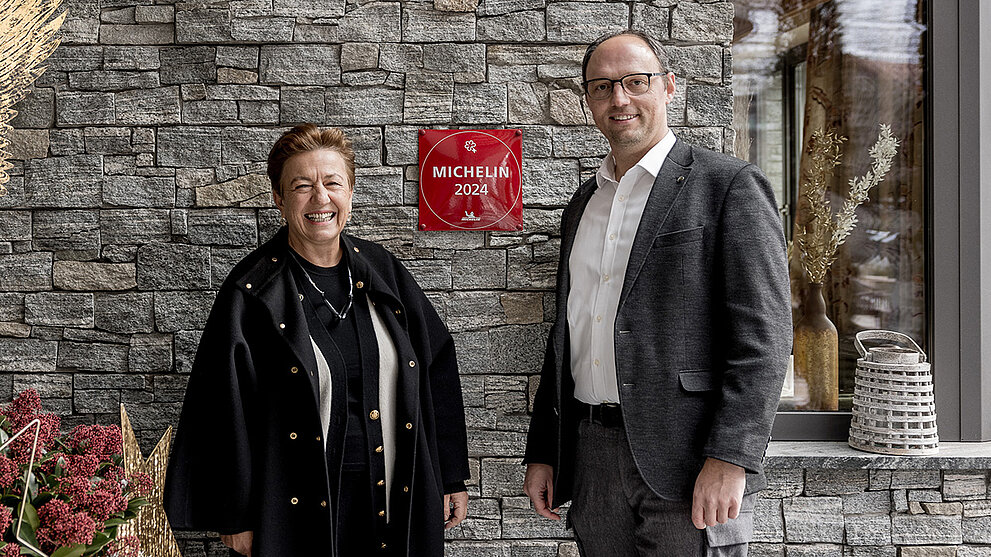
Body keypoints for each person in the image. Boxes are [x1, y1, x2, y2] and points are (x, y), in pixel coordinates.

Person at [522, 30, 792, 556]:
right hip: (592, 454)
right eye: (602, 87)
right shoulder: (583, 204)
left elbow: (765, 337)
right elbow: (569, 334)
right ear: (588, 101)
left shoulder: (728, 186)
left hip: (689, 462)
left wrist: (731, 457)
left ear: (668, 87)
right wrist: (546, 450)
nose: (618, 99)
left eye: (634, 82)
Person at [164, 123, 470, 557]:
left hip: (393, 495)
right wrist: (235, 514)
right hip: (295, 506)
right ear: (279, 198)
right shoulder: (250, 292)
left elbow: (436, 363)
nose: (320, 199)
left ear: (350, 191)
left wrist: (450, 474)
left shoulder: (384, 270)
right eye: (302, 186)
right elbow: (219, 407)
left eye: (332, 183)